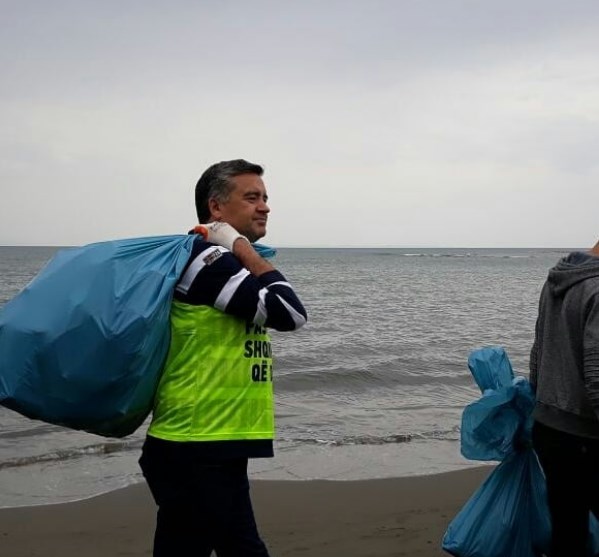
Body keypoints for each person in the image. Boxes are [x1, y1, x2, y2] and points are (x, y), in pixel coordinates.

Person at [139, 159, 307, 556]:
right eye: (251, 197)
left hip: (213, 444)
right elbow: (289, 312)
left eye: (265, 198)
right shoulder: (206, 262)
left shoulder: (220, 262)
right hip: (196, 446)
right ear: (216, 209)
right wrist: (239, 245)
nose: (264, 206)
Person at [530, 239, 599, 556]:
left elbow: (538, 349)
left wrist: (537, 401)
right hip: (585, 433)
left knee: (567, 530)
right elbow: (597, 373)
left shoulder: (555, 278)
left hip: (549, 427)